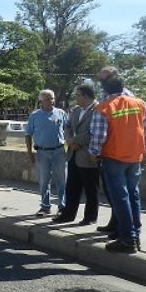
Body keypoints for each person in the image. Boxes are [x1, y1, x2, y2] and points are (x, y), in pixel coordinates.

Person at [89, 74, 146, 253]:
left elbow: (98, 137)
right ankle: (135, 235)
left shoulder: (103, 107)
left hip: (114, 158)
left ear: (104, 89)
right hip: (135, 158)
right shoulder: (139, 103)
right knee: (133, 196)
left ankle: (127, 239)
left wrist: (94, 153)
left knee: (121, 199)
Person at [52, 85, 99, 225]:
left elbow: (93, 132)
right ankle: (68, 214)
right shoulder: (76, 110)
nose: (75, 98)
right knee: (72, 187)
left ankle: (90, 217)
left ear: (85, 96)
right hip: (73, 153)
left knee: (91, 189)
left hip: (88, 156)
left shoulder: (98, 110)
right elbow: (67, 127)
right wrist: (69, 141)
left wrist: (75, 140)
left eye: (77, 95)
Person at [95, 66, 134, 235]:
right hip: (113, 152)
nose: (102, 83)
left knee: (124, 195)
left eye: (105, 79)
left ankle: (126, 232)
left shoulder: (128, 97)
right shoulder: (105, 98)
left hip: (121, 153)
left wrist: (94, 152)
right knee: (115, 193)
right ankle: (118, 223)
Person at [25, 89, 69, 217]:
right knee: (44, 181)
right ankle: (45, 207)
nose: (51, 101)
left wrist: (69, 149)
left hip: (59, 151)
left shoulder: (61, 113)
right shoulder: (35, 116)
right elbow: (28, 135)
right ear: (41, 101)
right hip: (42, 153)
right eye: (48, 99)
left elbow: (68, 131)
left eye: (52, 98)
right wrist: (29, 153)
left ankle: (62, 206)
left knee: (62, 181)